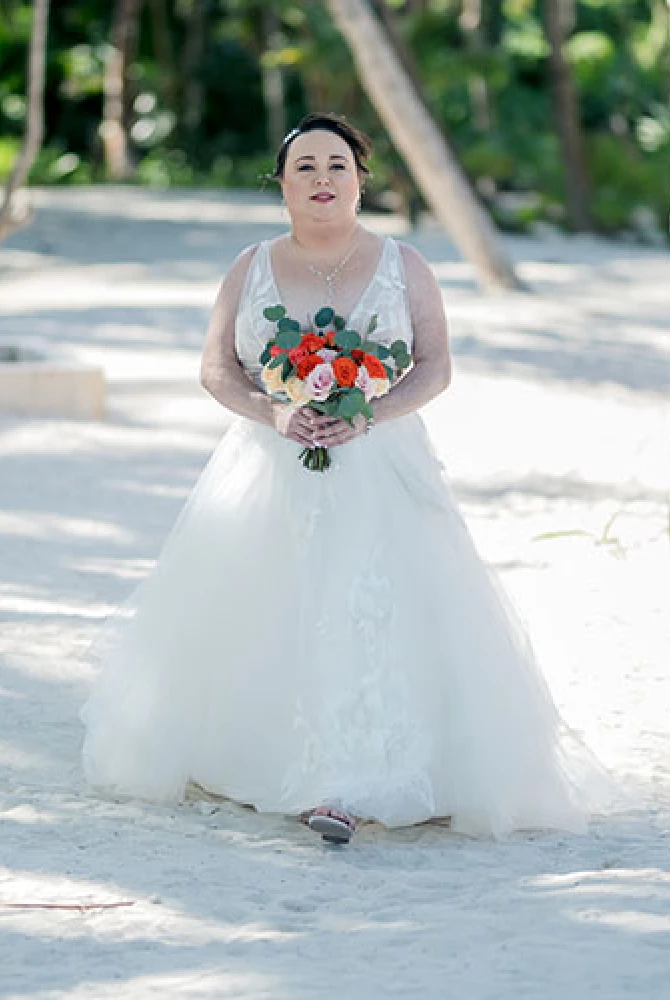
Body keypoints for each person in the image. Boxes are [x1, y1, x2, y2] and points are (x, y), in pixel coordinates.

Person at [81, 112, 618, 844]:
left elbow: (434, 367)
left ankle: (357, 783)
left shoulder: (406, 266)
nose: (322, 178)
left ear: (361, 179)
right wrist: (272, 413)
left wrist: (372, 414)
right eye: (304, 166)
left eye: (337, 164)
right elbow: (216, 369)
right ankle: (293, 773)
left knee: (375, 611)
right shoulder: (250, 266)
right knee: (277, 607)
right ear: (282, 185)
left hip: (380, 462)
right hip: (269, 467)